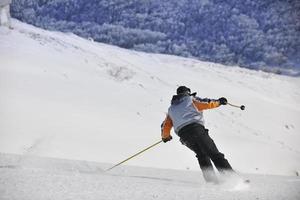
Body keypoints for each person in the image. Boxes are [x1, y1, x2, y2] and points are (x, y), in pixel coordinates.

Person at [161, 86, 234, 183]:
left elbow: (165, 125)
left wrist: (166, 137)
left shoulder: (171, 109)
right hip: (196, 129)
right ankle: (232, 179)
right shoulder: (190, 99)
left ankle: (211, 181)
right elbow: (206, 103)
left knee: (202, 155)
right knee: (214, 153)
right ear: (188, 92)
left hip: (184, 136)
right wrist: (220, 102)